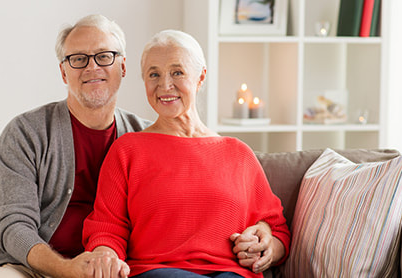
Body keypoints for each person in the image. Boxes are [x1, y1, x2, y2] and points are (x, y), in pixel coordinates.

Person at [82, 30, 291, 278]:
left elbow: (276, 228)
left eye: (177, 72)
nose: (164, 85)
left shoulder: (238, 153)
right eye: (154, 75)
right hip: (159, 272)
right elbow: (107, 229)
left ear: (200, 77)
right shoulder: (127, 150)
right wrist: (105, 255)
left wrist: (267, 245)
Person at [0, 14, 152, 278]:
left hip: (116, 268)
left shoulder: (147, 136)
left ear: (122, 66)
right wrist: (65, 269)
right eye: (78, 59)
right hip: (28, 267)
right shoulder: (25, 133)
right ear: (64, 72)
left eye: (104, 56)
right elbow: (14, 226)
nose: (92, 67)